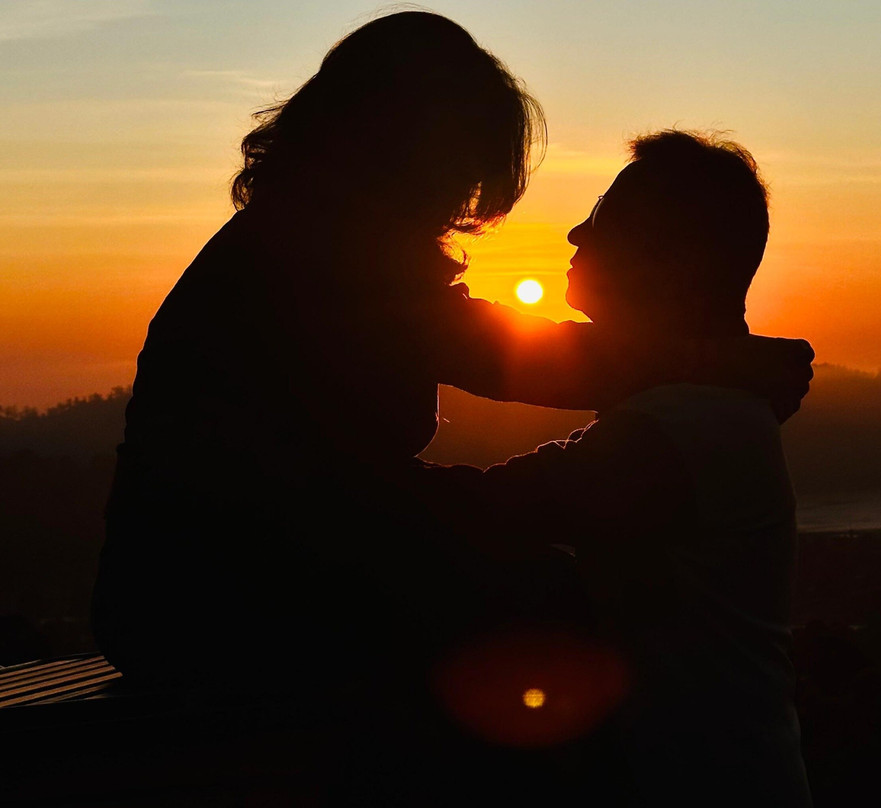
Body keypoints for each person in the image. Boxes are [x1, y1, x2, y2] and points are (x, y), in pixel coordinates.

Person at [91, 11, 813, 696]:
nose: (458, 198)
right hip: (213, 597)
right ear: (396, 150)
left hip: (233, 582)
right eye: (455, 169)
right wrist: (719, 360)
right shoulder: (309, 254)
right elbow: (509, 360)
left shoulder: (311, 241)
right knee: (548, 615)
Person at [428, 130, 813, 805]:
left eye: (606, 215)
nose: (577, 232)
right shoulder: (707, 405)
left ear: (674, 259)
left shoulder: (683, 426)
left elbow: (485, 512)